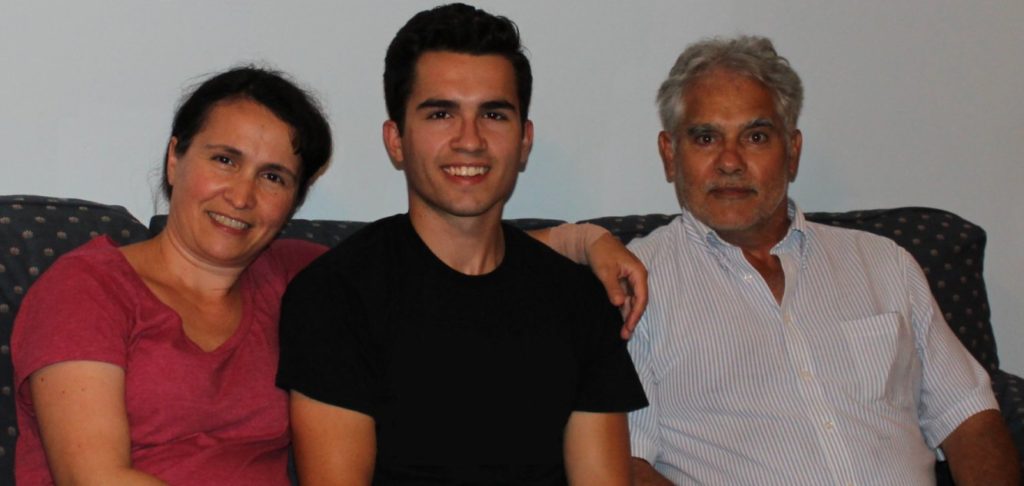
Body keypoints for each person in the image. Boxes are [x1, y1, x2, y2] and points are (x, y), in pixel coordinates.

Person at [12, 66, 646, 484]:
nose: (241, 196)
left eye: (273, 177)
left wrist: (583, 238)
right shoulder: (87, 286)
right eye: (224, 159)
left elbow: (444, 257)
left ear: (294, 201)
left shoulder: (296, 278)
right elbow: (94, 478)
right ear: (176, 157)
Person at [276, 4, 648, 485]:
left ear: (524, 141)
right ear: (396, 140)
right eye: (440, 113)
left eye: (493, 114)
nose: (469, 140)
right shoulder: (335, 295)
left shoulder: (579, 299)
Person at [626, 35, 1019, 485]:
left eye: (756, 137)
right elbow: (627, 463)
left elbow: (970, 417)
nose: (730, 161)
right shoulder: (635, 282)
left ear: (792, 152)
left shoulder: (884, 263)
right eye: (705, 137)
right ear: (670, 154)